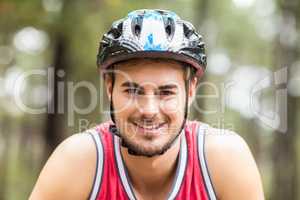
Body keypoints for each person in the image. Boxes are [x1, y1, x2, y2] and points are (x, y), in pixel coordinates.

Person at [29, 9, 264, 200]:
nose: (149, 110)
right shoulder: (78, 162)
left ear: (190, 90)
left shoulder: (224, 160)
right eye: (132, 90)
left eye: (166, 92)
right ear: (109, 88)